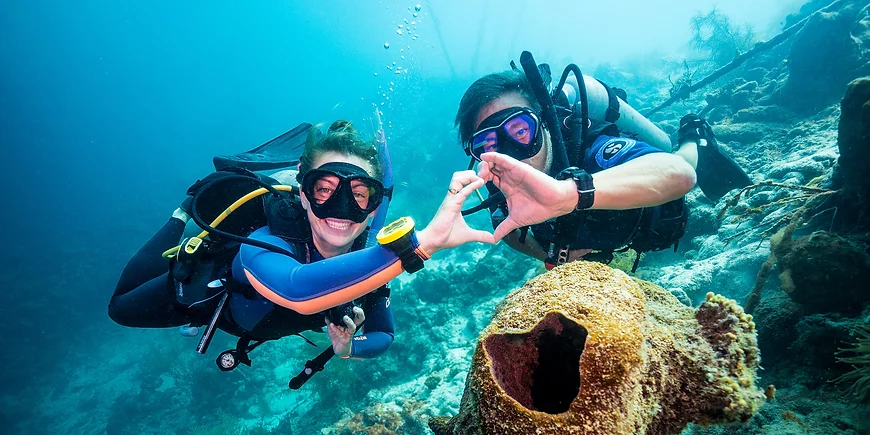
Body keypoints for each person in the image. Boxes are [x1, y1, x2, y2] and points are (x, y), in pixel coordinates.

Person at [109, 120, 491, 378]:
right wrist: (421, 245)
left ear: (374, 207)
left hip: (258, 320)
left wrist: (347, 349)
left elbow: (383, 336)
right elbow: (297, 288)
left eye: (359, 195)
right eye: (324, 190)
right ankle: (180, 214)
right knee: (121, 309)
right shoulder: (268, 238)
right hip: (206, 293)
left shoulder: (371, 249)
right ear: (303, 195)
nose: (342, 210)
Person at [454, 64, 731, 271]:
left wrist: (569, 195)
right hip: (602, 238)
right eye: (488, 144)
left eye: (519, 130)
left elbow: (678, 173)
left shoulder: (589, 149)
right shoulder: (495, 175)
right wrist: (547, 256)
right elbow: (508, 231)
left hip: (646, 220)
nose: (509, 154)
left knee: (685, 157)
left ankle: (695, 136)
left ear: (543, 121)